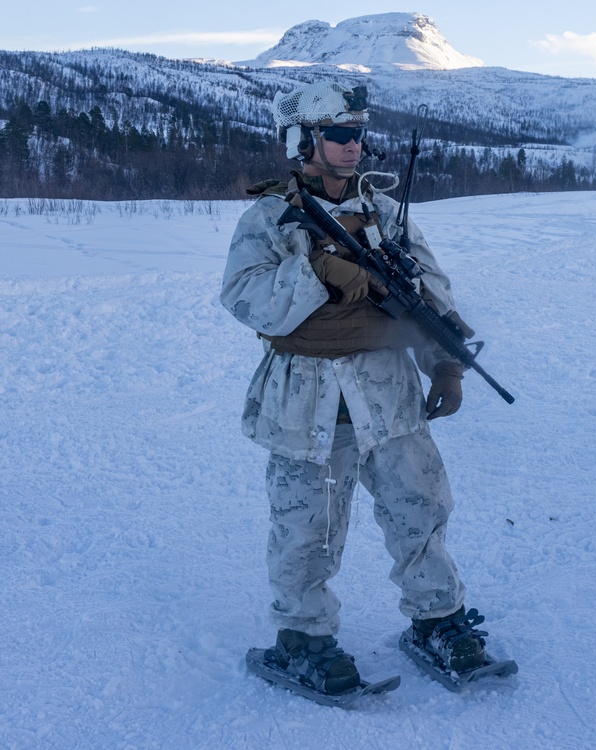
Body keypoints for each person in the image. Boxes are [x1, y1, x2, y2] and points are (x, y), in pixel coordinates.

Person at [220, 81, 491, 695]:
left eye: (358, 134)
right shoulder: (267, 218)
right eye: (340, 134)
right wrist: (315, 271)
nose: (354, 145)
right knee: (305, 525)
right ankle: (303, 639)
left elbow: (428, 297)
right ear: (303, 140)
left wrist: (447, 365)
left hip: (388, 392)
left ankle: (439, 622)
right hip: (305, 401)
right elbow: (246, 300)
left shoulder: (388, 215)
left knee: (418, 510)